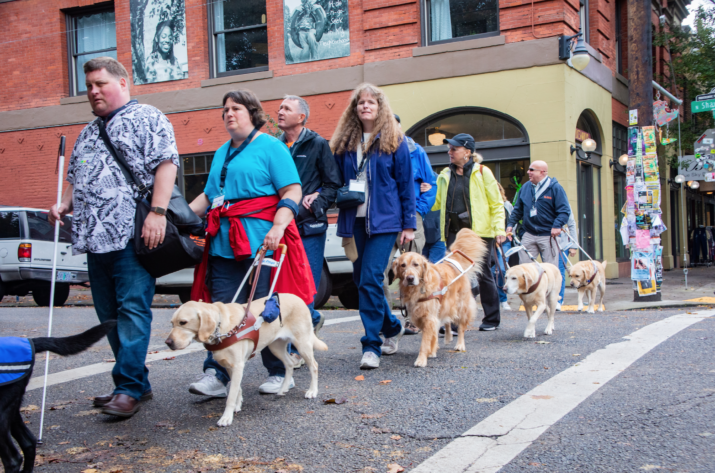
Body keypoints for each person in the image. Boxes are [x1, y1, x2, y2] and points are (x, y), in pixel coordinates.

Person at [49, 57, 179, 418]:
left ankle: (128, 388)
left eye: (100, 84)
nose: (93, 91)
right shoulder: (89, 131)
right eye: (89, 86)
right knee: (108, 315)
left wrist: (157, 212)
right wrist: (63, 204)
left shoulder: (148, 117)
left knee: (131, 311)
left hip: (130, 236)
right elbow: (77, 178)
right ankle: (138, 382)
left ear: (122, 82)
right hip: (94, 239)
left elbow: (166, 164)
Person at [187, 89, 316, 397]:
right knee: (220, 312)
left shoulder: (271, 147)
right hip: (222, 245)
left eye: (236, 108)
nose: (229, 113)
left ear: (253, 113)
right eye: (225, 109)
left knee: (262, 310)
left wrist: (279, 226)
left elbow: (292, 191)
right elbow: (208, 196)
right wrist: (174, 219)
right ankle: (218, 374)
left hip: (261, 244)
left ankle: (277, 370)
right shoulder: (221, 152)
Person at [331, 83, 416, 369]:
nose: (365, 106)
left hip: (385, 221)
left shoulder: (394, 140)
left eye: (371, 102)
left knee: (369, 278)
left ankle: (371, 345)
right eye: (360, 102)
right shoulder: (344, 142)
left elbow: (406, 185)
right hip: (352, 220)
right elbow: (332, 179)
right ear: (354, 109)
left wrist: (409, 224)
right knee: (360, 281)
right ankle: (392, 326)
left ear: (380, 108)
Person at [276, 94, 342, 334]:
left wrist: (315, 205)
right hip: (281, 225)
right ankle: (311, 318)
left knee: (307, 284)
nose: (279, 112)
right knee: (284, 286)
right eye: (279, 108)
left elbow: (333, 184)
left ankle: (297, 347)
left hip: (309, 227)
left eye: (286, 108)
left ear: (301, 117)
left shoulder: (317, 144)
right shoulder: (275, 145)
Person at [432, 133, 505, 331]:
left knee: (483, 274)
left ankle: (491, 319)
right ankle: (454, 322)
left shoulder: (482, 172)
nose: (450, 152)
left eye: (454, 149)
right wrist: (424, 191)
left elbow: (496, 203)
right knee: (455, 276)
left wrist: (499, 229)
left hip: (479, 233)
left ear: (468, 152)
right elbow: (436, 203)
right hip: (454, 232)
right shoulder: (444, 175)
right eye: (449, 148)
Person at [383, 114, 436, 334]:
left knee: (416, 270)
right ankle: (385, 320)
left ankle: (414, 318)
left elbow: (430, 185)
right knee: (382, 271)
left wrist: (418, 210)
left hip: (411, 216)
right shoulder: (377, 152)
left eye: (393, 125)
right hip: (384, 218)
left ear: (400, 126)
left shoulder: (416, 151)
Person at [506, 160, 570, 268]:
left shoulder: (555, 187)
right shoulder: (525, 187)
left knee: (550, 269)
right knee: (525, 269)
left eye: (531, 170)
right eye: (528, 169)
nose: (528, 172)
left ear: (542, 172)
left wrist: (557, 225)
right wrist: (510, 225)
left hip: (548, 234)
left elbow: (564, 211)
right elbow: (517, 210)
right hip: (529, 233)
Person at [492, 182, 514, 311]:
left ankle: (503, 299)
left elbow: (512, 221)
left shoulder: (506, 205)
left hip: (504, 241)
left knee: (502, 269)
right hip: (489, 241)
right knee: (489, 272)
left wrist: (510, 233)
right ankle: (492, 299)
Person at [556, 208, 578, 311]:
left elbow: (571, 224)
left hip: (563, 244)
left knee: (560, 271)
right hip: (546, 242)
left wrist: (573, 245)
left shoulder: (564, 203)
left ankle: (559, 300)